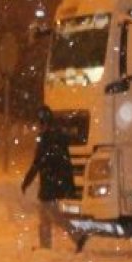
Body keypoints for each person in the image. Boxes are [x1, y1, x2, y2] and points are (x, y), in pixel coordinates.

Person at [22, 106, 88, 252]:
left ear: (43, 122)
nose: (39, 126)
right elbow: (62, 162)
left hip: (50, 183)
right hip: (54, 182)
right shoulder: (56, 137)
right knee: (46, 215)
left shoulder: (47, 139)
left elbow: (38, 163)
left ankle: (78, 236)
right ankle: (47, 246)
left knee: (53, 215)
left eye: (40, 123)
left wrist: (27, 180)